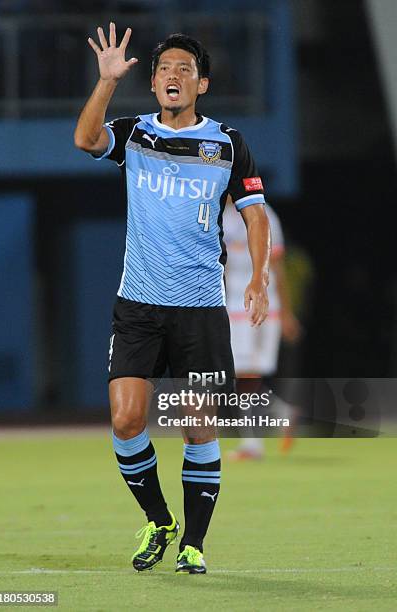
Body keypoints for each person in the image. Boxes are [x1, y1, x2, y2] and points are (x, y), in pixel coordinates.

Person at [74, 23, 270, 574]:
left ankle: (195, 544)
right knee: (128, 418)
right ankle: (160, 521)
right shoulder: (134, 134)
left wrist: (259, 277)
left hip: (201, 307)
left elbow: (254, 213)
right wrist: (107, 82)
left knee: (198, 423)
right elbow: (87, 141)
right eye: (163, 69)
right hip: (138, 303)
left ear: (201, 83)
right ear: (154, 82)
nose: (172, 76)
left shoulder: (227, 143)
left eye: (184, 69)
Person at [224, 200, 301, 459]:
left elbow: (277, 266)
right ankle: (281, 414)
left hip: (262, 307)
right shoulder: (220, 217)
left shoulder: (265, 215)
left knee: (245, 376)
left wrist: (287, 313)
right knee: (245, 376)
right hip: (234, 307)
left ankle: (253, 443)